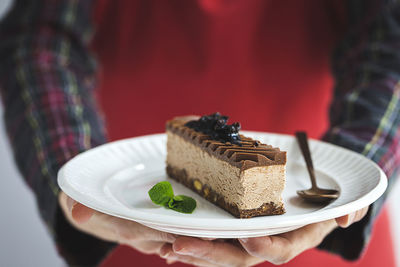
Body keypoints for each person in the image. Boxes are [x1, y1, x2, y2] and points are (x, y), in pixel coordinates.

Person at [0, 0, 398, 266]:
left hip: (319, 230)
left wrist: (355, 173)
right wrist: (78, 175)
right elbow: (37, 42)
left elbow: (390, 50)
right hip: (136, 229)